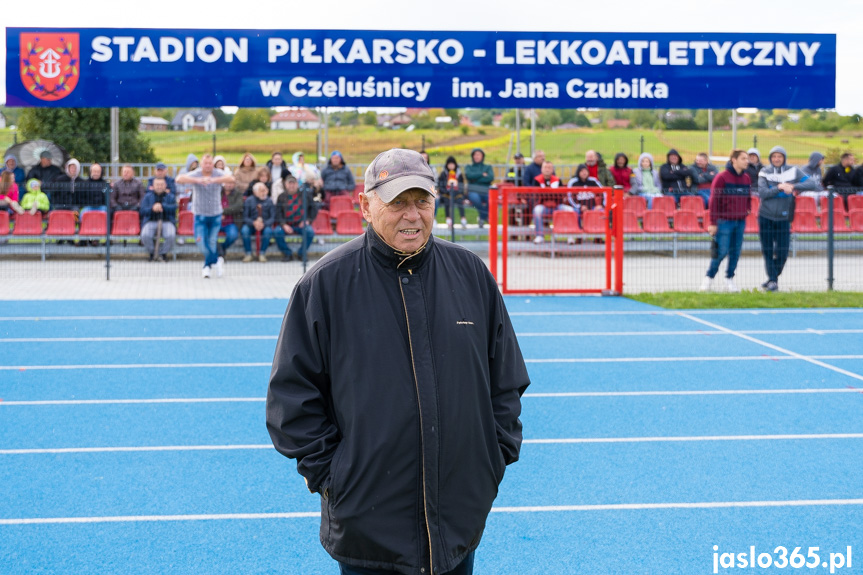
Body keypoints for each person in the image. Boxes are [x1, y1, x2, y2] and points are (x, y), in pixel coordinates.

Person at [266, 148, 529, 575]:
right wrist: (338, 482)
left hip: (457, 520)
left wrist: (490, 463)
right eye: (397, 202)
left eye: (421, 201)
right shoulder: (325, 284)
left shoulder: (470, 274)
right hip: (368, 528)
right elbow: (291, 401)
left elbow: (505, 381)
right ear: (366, 205)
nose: (412, 215)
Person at [758, 145, 820, 292]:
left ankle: (773, 277)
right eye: (774, 156)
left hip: (784, 218)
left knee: (783, 252)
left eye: (779, 156)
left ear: (784, 158)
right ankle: (773, 280)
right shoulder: (764, 172)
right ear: (770, 158)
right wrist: (779, 187)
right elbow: (763, 192)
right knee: (767, 250)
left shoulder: (793, 171)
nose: (777, 159)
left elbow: (812, 183)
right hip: (765, 216)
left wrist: (792, 186)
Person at [175, 153, 234, 278]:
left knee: (212, 241)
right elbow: (179, 179)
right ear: (201, 164)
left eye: (209, 163)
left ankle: (206, 267)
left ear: (212, 164)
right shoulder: (197, 173)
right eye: (205, 163)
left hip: (215, 214)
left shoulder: (217, 173)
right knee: (200, 242)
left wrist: (214, 180)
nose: (207, 166)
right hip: (200, 214)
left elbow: (231, 179)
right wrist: (198, 180)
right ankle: (217, 259)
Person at [700, 150, 751, 293]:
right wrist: (712, 222)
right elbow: (713, 201)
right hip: (724, 222)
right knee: (720, 252)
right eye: (743, 158)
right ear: (734, 160)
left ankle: (729, 279)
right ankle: (708, 278)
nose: (747, 161)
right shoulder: (721, 177)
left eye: (747, 158)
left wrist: (748, 208)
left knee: (735, 252)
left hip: (740, 222)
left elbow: (748, 197)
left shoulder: (746, 178)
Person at [274, 175, 317, 262]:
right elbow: (278, 213)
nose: (291, 186)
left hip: (301, 223)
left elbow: (314, 208)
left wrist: (307, 220)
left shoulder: (305, 195)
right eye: (289, 184)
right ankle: (287, 254)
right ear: (286, 185)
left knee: (309, 232)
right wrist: (283, 225)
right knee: (277, 232)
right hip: (286, 224)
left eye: (293, 183)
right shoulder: (281, 197)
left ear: (297, 184)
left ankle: (301, 253)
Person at [531, 161, 572, 243]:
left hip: (556, 206)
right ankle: (539, 236)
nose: (547, 169)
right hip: (543, 206)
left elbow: (561, 195)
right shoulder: (537, 180)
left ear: (552, 169)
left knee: (570, 210)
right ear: (541, 169)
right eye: (545, 167)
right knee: (536, 210)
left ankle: (570, 236)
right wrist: (547, 199)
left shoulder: (557, 180)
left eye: (549, 167)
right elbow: (536, 195)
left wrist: (553, 200)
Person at [140, 177, 177, 262]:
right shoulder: (147, 197)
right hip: (151, 221)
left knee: (171, 235)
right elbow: (142, 210)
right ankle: (153, 253)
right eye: (157, 185)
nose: (159, 187)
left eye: (161, 185)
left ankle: (162, 254)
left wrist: (162, 206)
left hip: (166, 221)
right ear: (153, 186)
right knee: (145, 235)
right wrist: (152, 208)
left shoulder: (170, 196)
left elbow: (174, 208)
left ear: (165, 186)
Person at [241, 181, 276, 263]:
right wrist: (254, 223)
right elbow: (245, 217)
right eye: (261, 190)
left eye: (264, 190)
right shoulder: (249, 200)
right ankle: (248, 253)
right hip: (252, 224)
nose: (264, 192)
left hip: (265, 224)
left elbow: (272, 217)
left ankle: (262, 253)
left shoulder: (269, 201)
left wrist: (264, 224)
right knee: (244, 230)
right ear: (255, 192)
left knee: (268, 231)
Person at [465, 147, 494, 227]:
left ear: (482, 156)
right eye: (475, 155)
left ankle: (481, 218)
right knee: (475, 199)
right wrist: (482, 174)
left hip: (485, 191)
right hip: (473, 191)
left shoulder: (488, 167)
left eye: (479, 155)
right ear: (473, 156)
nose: (477, 156)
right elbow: (469, 176)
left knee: (491, 199)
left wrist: (475, 179)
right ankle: (485, 216)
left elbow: (490, 178)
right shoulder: (469, 167)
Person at [436, 155, 466, 228]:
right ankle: (448, 219)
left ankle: (463, 219)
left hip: (456, 193)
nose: (451, 166)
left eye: (452, 164)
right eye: (449, 164)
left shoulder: (458, 174)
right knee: (447, 201)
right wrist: (445, 191)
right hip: (446, 193)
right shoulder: (443, 174)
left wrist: (458, 192)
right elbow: (441, 185)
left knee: (460, 201)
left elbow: (461, 186)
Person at [218, 177, 242, 258]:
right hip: (216, 221)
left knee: (233, 235)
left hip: (231, 223)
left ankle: (221, 249)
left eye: (231, 183)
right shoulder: (217, 192)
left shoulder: (238, 193)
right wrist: (218, 214)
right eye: (227, 183)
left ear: (234, 184)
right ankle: (218, 251)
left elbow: (237, 207)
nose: (229, 185)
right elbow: (211, 205)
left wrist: (222, 211)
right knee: (209, 234)